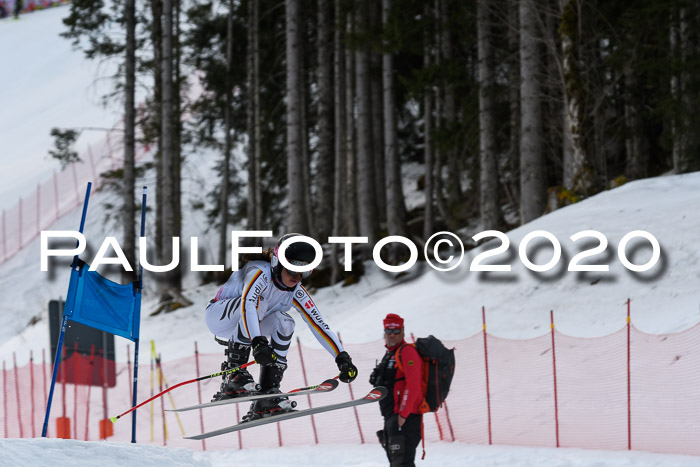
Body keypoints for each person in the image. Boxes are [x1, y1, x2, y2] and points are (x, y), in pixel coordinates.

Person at [205, 233, 358, 421]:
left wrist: (341, 357)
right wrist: (259, 342)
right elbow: (248, 305)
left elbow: (318, 324)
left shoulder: (296, 291)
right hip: (219, 316)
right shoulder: (258, 272)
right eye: (293, 270)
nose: (297, 277)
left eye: (304, 272)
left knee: (286, 323)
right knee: (258, 303)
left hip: (248, 326)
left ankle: (268, 392)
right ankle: (234, 374)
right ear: (278, 262)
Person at [370, 313, 424, 467]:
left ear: (403, 331)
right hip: (391, 416)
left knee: (402, 463)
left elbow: (413, 385)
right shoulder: (390, 354)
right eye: (388, 331)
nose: (392, 335)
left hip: (405, 417)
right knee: (396, 463)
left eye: (396, 331)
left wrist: (403, 414)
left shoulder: (407, 352)